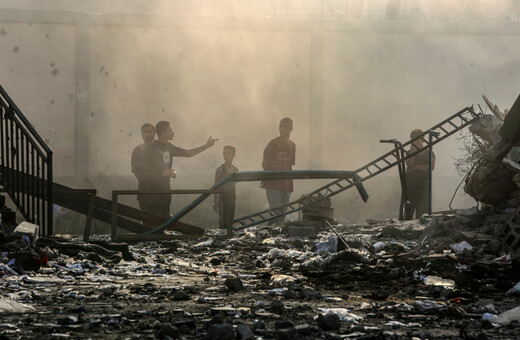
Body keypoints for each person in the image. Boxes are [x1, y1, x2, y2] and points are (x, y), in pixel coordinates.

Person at [142, 120, 218, 218]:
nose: (173, 132)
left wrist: (206, 146)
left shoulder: (169, 147)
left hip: (165, 187)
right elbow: (144, 168)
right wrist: (161, 173)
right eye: (170, 130)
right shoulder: (151, 147)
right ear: (163, 132)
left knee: (164, 216)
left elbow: (188, 153)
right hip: (151, 189)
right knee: (151, 218)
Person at [261, 117, 295, 225]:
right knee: (275, 215)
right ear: (279, 128)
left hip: (287, 184)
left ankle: (276, 238)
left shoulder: (292, 145)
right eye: (283, 126)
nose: (285, 129)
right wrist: (270, 176)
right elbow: (265, 163)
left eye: (288, 127)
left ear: (291, 129)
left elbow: (290, 164)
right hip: (274, 184)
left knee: (282, 216)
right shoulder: (273, 143)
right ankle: (268, 235)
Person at [405, 128, 435, 220]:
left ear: (422, 139)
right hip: (410, 187)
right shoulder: (409, 152)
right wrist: (413, 150)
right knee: (408, 214)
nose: (417, 141)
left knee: (422, 215)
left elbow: (431, 167)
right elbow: (410, 164)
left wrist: (417, 167)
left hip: (424, 187)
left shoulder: (429, 152)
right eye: (414, 139)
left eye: (418, 138)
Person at [213, 145, 239, 234]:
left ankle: (229, 235)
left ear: (234, 155)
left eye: (228, 153)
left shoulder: (236, 169)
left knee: (230, 218)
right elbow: (215, 186)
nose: (225, 155)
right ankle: (223, 235)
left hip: (232, 196)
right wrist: (215, 201)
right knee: (223, 219)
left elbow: (235, 185)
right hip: (223, 197)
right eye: (224, 153)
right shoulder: (220, 169)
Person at [131, 123, 156, 212]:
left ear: (154, 133)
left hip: (161, 190)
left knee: (162, 219)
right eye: (145, 132)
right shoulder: (137, 150)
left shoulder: (160, 148)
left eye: (150, 131)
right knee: (146, 220)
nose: (148, 134)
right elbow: (135, 170)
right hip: (144, 190)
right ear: (141, 133)